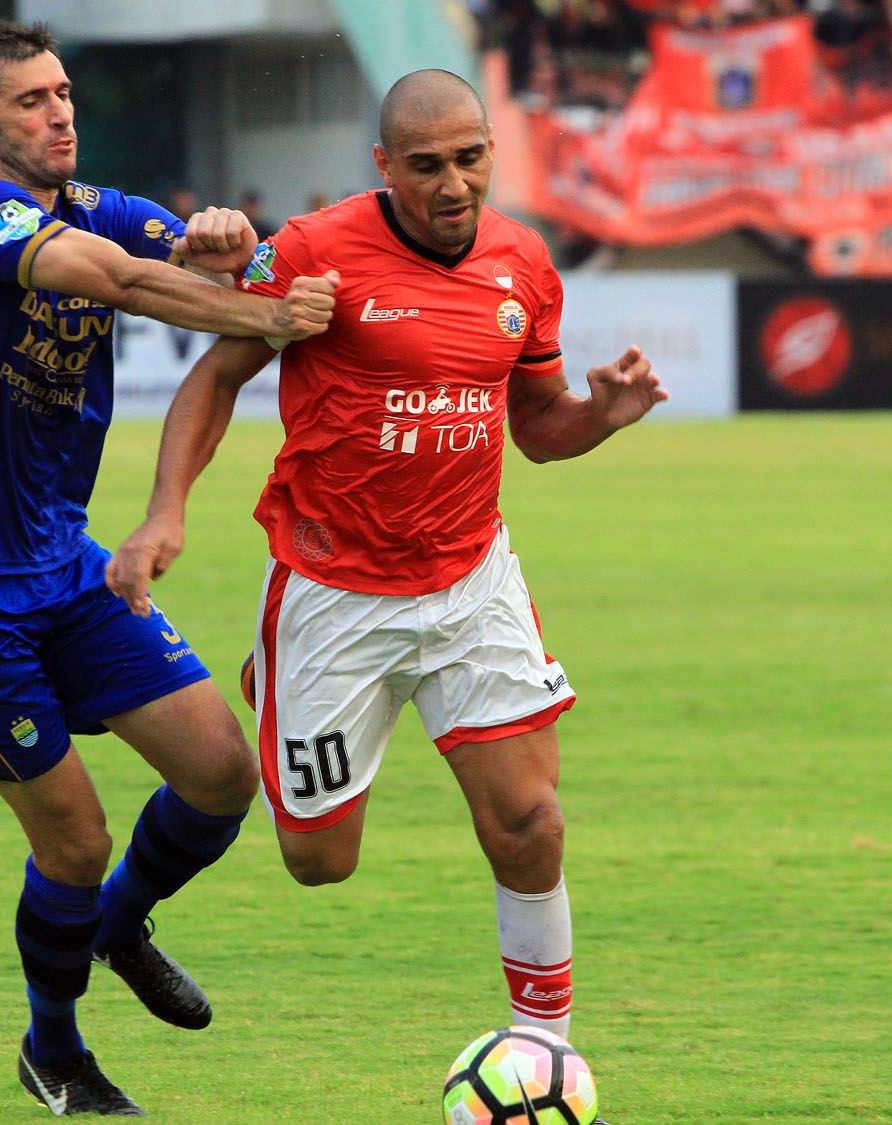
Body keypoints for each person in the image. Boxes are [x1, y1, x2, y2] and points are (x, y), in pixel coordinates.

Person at [106, 70, 657, 1118]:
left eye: (470, 157)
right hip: (332, 590)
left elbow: (536, 427)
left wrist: (601, 418)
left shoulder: (523, 264)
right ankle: (277, 672)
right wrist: (163, 512)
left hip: (466, 580)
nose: (454, 184)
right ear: (382, 166)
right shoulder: (316, 252)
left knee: (530, 822)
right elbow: (217, 373)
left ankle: (543, 1054)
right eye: (426, 165)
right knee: (319, 862)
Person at [0, 21, 338, 1117]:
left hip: (59, 562)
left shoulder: (110, 203)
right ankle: (54, 1050)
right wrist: (262, 311)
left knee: (220, 774)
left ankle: (121, 927)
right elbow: (118, 279)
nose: (60, 111)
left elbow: (197, 252)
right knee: (72, 841)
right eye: (30, 101)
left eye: (64, 91)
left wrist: (232, 238)